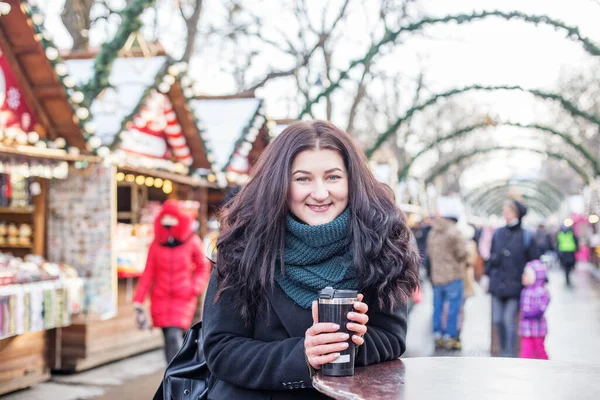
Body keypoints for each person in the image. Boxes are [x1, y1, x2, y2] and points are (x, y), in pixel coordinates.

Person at [202, 121, 420, 399]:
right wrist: (302, 355)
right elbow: (221, 349)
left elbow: (391, 338)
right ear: (279, 183)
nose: (319, 193)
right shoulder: (245, 245)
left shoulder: (381, 244)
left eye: (333, 177)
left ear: (352, 181)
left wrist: (350, 342)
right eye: (302, 178)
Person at [133, 200, 212, 363]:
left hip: (183, 297)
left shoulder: (192, 241)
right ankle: (176, 374)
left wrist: (194, 287)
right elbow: (148, 273)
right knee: (170, 337)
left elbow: (203, 267)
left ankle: (175, 374)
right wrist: (138, 300)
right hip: (160, 298)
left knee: (174, 336)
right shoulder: (156, 245)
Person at [486, 199, 537, 357]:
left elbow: (534, 260)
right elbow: (492, 256)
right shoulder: (498, 233)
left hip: (515, 285)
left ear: (516, 213)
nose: (505, 213)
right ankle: (501, 351)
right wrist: (488, 273)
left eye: (508, 210)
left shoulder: (526, 235)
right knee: (497, 320)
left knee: (509, 321)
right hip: (497, 283)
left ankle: (510, 355)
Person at [427, 214, 468, 350]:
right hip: (453, 276)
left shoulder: (433, 233)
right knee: (453, 308)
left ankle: (437, 334)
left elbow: (429, 254)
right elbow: (463, 253)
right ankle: (450, 336)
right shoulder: (454, 233)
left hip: (436, 276)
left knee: (437, 307)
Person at [519, 260, 550, 360]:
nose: (523, 276)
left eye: (526, 274)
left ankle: (547, 366)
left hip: (538, 329)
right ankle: (525, 367)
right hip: (526, 328)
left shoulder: (541, 291)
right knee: (526, 351)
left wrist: (529, 314)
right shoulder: (524, 291)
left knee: (539, 350)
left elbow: (541, 308)